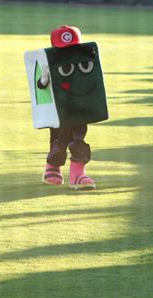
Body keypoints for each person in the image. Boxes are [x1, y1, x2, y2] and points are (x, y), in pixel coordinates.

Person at [36, 26, 106, 190]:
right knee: (58, 140)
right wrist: (45, 77)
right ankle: (52, 168)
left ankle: (77, 174)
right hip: (59, 112)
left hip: (79, 109)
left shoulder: (85, 63)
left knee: (78, 139)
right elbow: (41, 86)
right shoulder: (51, 65)